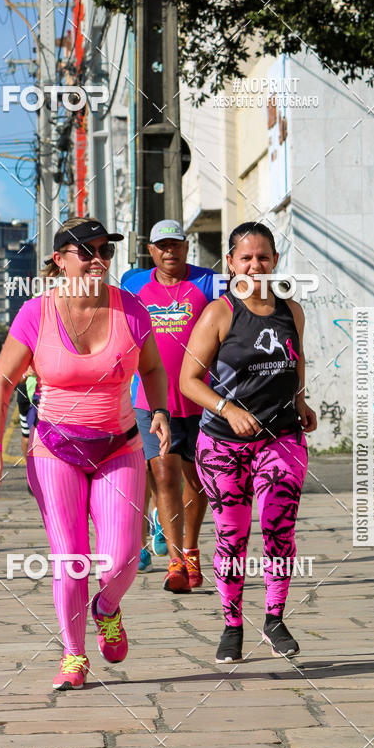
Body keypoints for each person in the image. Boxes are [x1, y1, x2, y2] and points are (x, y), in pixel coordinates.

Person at [0, 217, 169, 691]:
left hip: (118, 447)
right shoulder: (35, 314)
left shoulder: (131, 310)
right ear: (59, 261)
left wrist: (161, 409)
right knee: (70, 558)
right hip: (54, 451)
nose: (96, 259)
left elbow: (152, 368)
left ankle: (106, 608)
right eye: (84, 251)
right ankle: (73, 655)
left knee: (123, 556)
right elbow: (0, 385)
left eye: (104, 250)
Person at [180, 221, 317, 663]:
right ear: (232, 262)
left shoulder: (291, 311)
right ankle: (232, 623)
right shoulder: (220, 313)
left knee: (279, 527)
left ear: (275, 260)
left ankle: (275, 617)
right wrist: (228, 410)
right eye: (246, 258)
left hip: (282, 436)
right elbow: (189, 381)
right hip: (223, 445)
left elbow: (294, 365)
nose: (255, 265)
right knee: (231, 535)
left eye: (263, 257)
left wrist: (302, 400)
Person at [122, 219, 215, 593]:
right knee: (163, 476)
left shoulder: (209, 282)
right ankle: (175, 560)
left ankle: (191, 549)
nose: (169, 251)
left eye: (175, 244)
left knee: (198, 479)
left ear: (186, 245)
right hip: (150, 400)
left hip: (201, 398)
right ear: (151, 250)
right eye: (161, 245)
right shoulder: (133, 283)